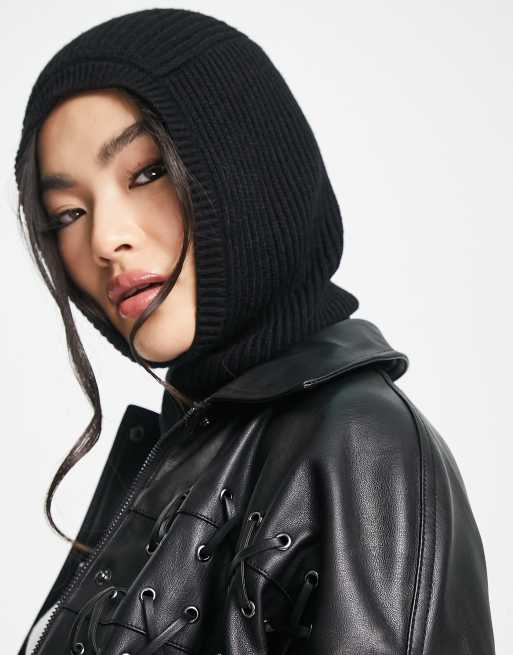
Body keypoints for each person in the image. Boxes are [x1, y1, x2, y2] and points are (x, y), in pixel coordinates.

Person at [14, 8, 495, 655]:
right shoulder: (196, 439)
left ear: (250, 168)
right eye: (68, 213)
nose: (104, 239)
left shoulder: (357, 445)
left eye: (147, 172)